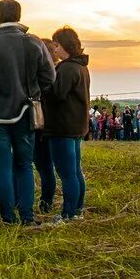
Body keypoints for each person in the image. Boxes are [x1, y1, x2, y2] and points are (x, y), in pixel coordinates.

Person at [0, 0, 55, 226]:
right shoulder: (33, 43)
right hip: (24, 111)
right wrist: (32, 87)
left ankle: (8, 216)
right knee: (24, 165)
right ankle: (27, 216)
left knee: (2, 167)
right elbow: (50, 77)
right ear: (19, 15)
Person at [41, 26, 90, 222]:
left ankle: (68, 213)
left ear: (63, 45)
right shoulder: (81, 67)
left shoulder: (67, 68)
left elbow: (57, 93)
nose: (54, 50)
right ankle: (77, 210)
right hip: (76, 126)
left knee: (67, 172)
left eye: (56, 45)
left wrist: (44, 85)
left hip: (62, 127)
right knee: (75, 171)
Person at [33, 39, 61, 214]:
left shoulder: (40, 74)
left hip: (38, 124)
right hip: (53, 125)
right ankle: (46, 201)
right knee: (46, 167)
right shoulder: (59, 73)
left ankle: (43, 201)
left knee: (39, 165)